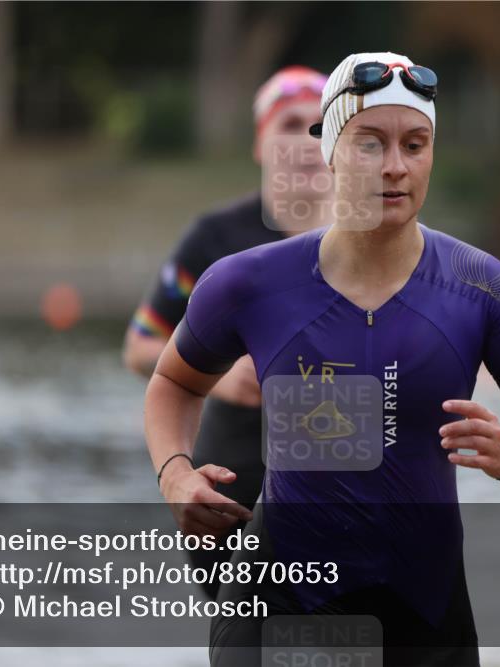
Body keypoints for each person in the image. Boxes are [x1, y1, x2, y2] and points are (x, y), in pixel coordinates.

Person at [144, 52, 500, 666]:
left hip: (423, 615)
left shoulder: (481, 286)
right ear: (329, 150)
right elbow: (173, 382)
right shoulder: (247, 282)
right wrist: (175, 473)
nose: (395, 166)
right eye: (370, 143)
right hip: (279, 604)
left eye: (415, 145)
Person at [124, 66, 328, 599]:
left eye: (319, 126)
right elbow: (140, 346)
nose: (306, 141)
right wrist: (221, 375)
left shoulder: (375, 239)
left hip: (343, 486)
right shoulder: (215, 238)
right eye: (290, 125)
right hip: (234, 488)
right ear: (260, 143)